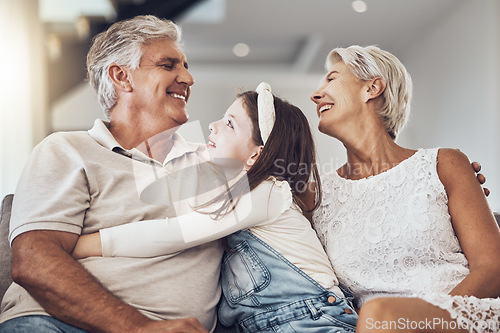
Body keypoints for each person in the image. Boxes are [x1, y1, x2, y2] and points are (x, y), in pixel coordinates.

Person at [71, 82, 359, 333]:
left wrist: (80, 246)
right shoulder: (232, 191)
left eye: (230, 123)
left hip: (314, 319)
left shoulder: (270, 191)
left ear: (256, 154)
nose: (213, 125)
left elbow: (175, 232)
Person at [0, 15, 217, 332]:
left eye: (185, 65)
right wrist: (139, 328)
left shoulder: (212, 161)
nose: (188, 77)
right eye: (168, 65)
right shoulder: (66, 150)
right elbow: (33, 260)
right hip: (55, 324)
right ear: (122, 77)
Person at [310, 45, 500, 333]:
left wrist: (422, 324)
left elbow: (492, 269)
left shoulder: (445, 164)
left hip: (463, 320)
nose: (315, 94)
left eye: (332, 79)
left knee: (379, 315)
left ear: (372, 88)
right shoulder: (317, 195)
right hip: (375, 327)